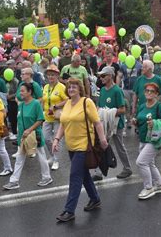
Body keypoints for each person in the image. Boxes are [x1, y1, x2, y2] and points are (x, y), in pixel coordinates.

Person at [51, 78, 108, 222]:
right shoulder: (68, 103)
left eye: (74, 87)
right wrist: (56, 139)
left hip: (84, 146)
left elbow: (97, 122)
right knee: (83, 175)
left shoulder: (86, 102)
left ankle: (69, 210)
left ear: (80, 88)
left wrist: (102, 140)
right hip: (70, 146)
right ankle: (95, 199)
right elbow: (63, 124)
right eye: (69, 87)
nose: (71, 89)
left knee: (75, 176)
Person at [3, 83, 53, 190]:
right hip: (23, 136)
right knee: (20, 159)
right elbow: (20, 122)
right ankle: (14, 181)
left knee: (41, 156)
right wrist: (20, 136)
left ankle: (47, 177)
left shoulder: (35, 104)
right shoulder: (20, 105)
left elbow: (40, 119)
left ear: (30, 92)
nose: (20, 93)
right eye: (20, 91)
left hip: (35, 135)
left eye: (22, 91)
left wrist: (30, 130)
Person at [133, 82, 161, 200]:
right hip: (143, 138)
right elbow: (140, 119)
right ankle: (159, 185)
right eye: (147, 91)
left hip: (154, 140)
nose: (149, 93)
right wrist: (135, 121)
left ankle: (148, 188)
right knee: (150, 163)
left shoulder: (160, 106)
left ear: (156, 94)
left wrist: (155, 123)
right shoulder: (142, 106)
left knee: (141, 162)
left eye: (152, 91)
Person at [94, 66, 132, 180]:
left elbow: (122, 109)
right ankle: (99, 173)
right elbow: (99, 107)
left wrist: (108, 113)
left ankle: (127, 168)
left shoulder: (117, 90)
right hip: (105, 124)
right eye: (100, 76)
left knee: (120, 147)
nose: (101, 78)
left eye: (103, 75)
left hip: (116, 125)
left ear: (110, 76)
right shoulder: (102, 91)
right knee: (101, 145)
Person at [42, 65, 68, 171]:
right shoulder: (46, 87)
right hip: (48, 116)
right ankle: (52, 156)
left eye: (53, 75)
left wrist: (56, 106)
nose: (51, 77)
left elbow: (67, 100)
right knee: (46, 137)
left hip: (58, 116)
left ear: (57, 75)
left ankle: (56, 160)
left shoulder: (61, 87)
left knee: (57, 139)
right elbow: (44, 100)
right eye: (49, 75)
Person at [6, 60, 19, 140]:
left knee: (15, 118)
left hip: (15, 102)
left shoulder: (16, 81)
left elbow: (18, 92)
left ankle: (15, 132)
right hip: (9, 102)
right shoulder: (6, 82)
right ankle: (13, 132)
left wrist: (12, 96)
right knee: (11, 118)